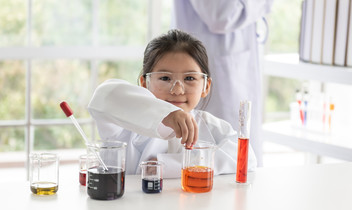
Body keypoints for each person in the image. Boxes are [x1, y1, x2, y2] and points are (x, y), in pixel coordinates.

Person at [88, 29, 256, 178]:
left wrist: (169, 164)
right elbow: (103, 96)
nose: (177, 90)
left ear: (206, 86)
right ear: (144, 83)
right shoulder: (127, 123)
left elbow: (246, 157)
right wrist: (165, 113)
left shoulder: (212, 126)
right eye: (165, 78)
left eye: (189, 78)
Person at [173, 0, 273, 166]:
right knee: (216, 154)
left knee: (234, 156)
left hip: (229, 63)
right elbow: (221, 15)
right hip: (216, 71)